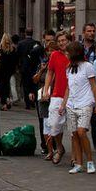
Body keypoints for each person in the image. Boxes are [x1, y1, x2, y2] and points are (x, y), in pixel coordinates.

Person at [61, 40, 96, 174]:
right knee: (74, 135)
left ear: (74, 53)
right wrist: (63, 104)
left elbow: (94, 86)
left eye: (68, 52)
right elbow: (68, 88)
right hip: (71, 104)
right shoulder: (69, 68)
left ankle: (90, 161)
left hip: (85, 104)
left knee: (81, 132)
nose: (66, 54)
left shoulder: (88, 66)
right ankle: (78, 164)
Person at [41, 31, 71, 165]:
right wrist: (46, 90)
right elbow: (50, 72)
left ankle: (75, 157)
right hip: (57, 93)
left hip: (73, 95)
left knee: (73, 128)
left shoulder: (75, 55)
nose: (61, 43)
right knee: (54, 124)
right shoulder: (54, 55)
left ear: (69, 41)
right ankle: (59, 147)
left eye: (64, 40)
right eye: (59, 41)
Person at [0, 34, 19, 110]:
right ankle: (8, 98)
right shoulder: (13, 49)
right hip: (9, 70)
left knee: (1, 86)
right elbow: (16, 60)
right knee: (7, 85)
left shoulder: (0, 48)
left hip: (1, 70)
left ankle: (4, 103)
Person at [16, 30, 38, 109]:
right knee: (33, 85)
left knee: (26, 86)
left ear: (25, 33)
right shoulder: (36, 43)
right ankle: (33, 101)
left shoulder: (21, 43)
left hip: (24, 67)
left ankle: (27, 103)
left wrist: (18, 66)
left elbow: (17, 55)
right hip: (34, 67)